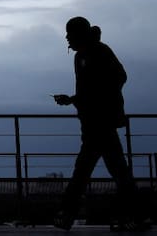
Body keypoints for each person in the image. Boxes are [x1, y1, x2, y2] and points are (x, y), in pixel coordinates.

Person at [52, 16, 148, 231]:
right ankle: (135, 215)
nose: (67, 38)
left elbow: (118, 78)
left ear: (79, 34)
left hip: (99, 122)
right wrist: (75, 99)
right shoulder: (83, 56)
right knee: (115, 171)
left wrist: (90, 100)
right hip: (94, 122)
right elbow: (91, 90)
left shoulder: (99, 52)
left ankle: (67, 214)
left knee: (85, 171)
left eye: (70, 34)